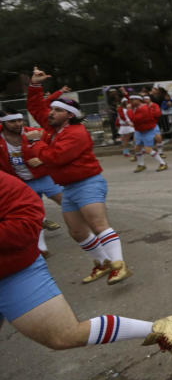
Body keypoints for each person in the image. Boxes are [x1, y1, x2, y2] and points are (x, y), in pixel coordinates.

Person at [0, 173, 172, 380]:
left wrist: (44, 153)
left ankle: (160, 327)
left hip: (12, 273)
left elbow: (28, 217)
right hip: (68, 186)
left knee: (63, 335)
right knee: (78, 231)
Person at [25, 68, 133, 284]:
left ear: (69, 115)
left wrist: (37, 143)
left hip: (88, 183)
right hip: (69, 187)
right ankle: (103, 263)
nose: (50, 112)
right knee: (76, 231)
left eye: (57, 109)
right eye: (52, 109)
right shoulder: (53, 129)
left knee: (98, 224)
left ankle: (119, 265)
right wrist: (35, 85)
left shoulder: (76, 133)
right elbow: (36, 107)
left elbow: (55, 158)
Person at [0, 109, 63, 256]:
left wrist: (42, 159)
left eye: (19, 120)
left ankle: (96, 231)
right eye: (12, 121)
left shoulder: (35, 133)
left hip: (45, 177)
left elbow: (57, 151)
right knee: (32, 215)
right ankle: (41, 249)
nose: (17, 124)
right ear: (3, 123)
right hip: (21, 184)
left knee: (68, 203)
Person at [128, 95, 168, 173]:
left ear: (138, 100)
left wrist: (129, 110)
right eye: (130, 100)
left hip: (148, 131)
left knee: (148, 149)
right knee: (137, 148)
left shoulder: (143, 108)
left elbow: (134, 119)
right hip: (140, 131)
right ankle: (141, 165)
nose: (131, 102)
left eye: (133, 100)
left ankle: (163, 163)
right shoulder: (136, 108)